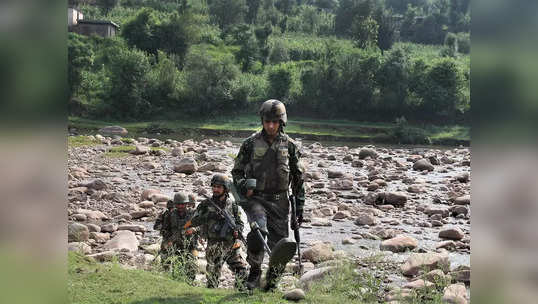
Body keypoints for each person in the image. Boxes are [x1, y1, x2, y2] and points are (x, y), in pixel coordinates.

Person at [232, 99, 305, 291]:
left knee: (282, 245)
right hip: (257, 199)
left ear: (282, 122)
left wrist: (300, 207)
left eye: (275, 122)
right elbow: (236, 171)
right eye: (267, 121)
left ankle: (272, 280)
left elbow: (298, 178)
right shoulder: (250, 143)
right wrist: (243, 185)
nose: (271, 125)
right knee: (259, 231)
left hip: (281, 202)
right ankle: (255, 272)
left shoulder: (290, 146)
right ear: (262, 121)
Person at [185, 174, 248, 290]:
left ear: (226, 189)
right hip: (214, 245)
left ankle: (240, 294)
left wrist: (237, 230)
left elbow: (240, 223)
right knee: (212, 278)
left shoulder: (233, 205)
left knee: (241, 269)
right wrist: (210, 215)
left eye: (219, 187)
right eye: (214, 186)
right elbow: (193, 221)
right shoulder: (205, 204)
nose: (215, 189)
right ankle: (210, 297)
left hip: (231, 245)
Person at [161, 192, 198, 281]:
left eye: (183, 204)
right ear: (175, 204)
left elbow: (203, 226)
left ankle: (190, 287)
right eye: (178, 204)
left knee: (192, 269)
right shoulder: (170, 214)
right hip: (175, 245)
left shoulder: (193, 213)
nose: (180, 206)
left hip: (191, 246)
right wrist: (168, 240)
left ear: (187, 204)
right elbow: (165, 229)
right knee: (177, 268)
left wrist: (194, 229)